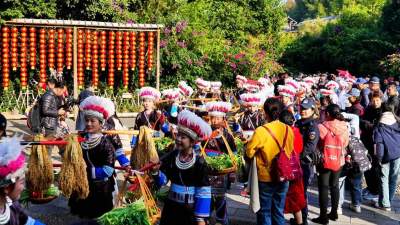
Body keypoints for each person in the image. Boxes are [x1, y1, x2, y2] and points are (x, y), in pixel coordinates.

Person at [155, 110, 212, 225]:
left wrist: (200, 218)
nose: (178, 139)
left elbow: (203, 191)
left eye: (183, 137)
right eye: (178, 135)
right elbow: (163, 181)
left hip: (189, 209)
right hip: (171, 207)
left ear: (192, 142)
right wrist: (155, 172)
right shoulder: (172, 156)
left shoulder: (199, 162)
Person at [246, 97, 294, 225]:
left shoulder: (261, 131)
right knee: (278, 210)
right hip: (284, 175)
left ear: (265, 112)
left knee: (265, 212)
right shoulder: (289, 129)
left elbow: (249, 152)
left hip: (266, 176)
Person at [69, 96, 116, 218]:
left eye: (92, 121)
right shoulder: (80, 140)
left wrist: (84, 171)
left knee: (98, 218)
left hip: (101, 188)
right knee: (84, 216)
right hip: (84, 185)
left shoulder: (106, 144)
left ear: (101, 124)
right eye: (87, 120)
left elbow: (108, 170)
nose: (88, 124)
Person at [312, 104, 349, 225]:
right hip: (339, 160)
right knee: (334, 185)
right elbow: (345, 143)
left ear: (327, 114)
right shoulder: (344, 126)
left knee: (323, 187)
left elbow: (316, 143)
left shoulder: (321, 127)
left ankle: (323, 216)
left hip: (325, 160)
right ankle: (334, 212)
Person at [203, 101, 237, 225]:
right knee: (206, 196)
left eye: (218, 118)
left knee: (220, 197)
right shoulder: (205, 133)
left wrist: (233, 172)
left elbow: (233, 152)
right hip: (207, 169)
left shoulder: (227, 135)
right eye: (213, 118)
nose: (215, 121)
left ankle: (222, 221)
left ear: (223, 119)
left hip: (222, 172)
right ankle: (204, 217)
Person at [0, 136, 45, 225]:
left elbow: (28, 222)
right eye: (21, 182)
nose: (23, 187)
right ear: (7, 188)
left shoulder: (12, 206)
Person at [296, 98, 320, 225]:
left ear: (312, 110)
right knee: (296, 191)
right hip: (296, 162)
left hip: (304, 163)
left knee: (302, 192)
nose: (303, 111)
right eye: (302, 108)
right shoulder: (300, 123)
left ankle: (303, 219)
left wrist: (297, 156)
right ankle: (298, 216)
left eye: (306, 109)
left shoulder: (312, 126)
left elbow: (310, 147)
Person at [280, 110, 306, 225]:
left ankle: (278, 220)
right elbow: (299, 149)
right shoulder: (297, 132)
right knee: (295, 197)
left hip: (283, 168)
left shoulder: (281, 133)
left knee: (279, 197)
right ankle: (299, 222)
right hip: (295, 167)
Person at [373, 101, 400, 211]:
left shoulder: (379, 125)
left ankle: (385, 204)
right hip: (398, 154)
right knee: (393, 179)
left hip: (384, 156)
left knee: (384, 178)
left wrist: (378, 158)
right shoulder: (397, 122)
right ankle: (388, 200)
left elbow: (379, 144)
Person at [360, 91, 383, 201]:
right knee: (367, 166)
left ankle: (376, 191)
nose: (375, 102)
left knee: (376, 167)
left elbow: (379, 127)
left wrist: (368, 125)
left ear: (381, 100)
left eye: (377, 100)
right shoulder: (369, 109)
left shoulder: (384, 111)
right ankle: (370, 187)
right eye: (373, 100)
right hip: (367, 141)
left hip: (377, 143)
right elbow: (363, 121)